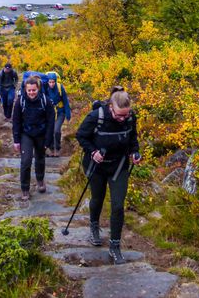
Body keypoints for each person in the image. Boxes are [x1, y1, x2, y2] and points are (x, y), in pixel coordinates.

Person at [75, 86, 141, 265]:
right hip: (96, 165)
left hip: (118, 166)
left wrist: (135, 152)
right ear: (111, 107)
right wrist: (92, 151)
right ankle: (94, 226)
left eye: (125, 115)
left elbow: (132, 137)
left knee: (118, 206)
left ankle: (115, 246)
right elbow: (81, 136)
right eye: (119, 115)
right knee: (98, 197)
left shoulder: (130, 118)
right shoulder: (97, 116)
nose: (122, 119)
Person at [12, 75, 55, 201]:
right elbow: (16, 121)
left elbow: (51, 121)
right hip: (26, 134)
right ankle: (25, 189)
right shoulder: (20, 102)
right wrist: (16, 140)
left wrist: (48, 140)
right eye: (29, 90)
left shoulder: (45, 101)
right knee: (26, 161)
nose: (31, 93)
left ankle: (40, 181)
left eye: (34, 90)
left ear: (38, 89)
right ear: (25, 89)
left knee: (40, 158)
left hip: (41, 134)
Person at [45, 71, 70, 156]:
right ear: (47, 82)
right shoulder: (45, 88)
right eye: (50, 82)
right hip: (49, 113)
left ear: (55, 81)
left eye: (53, 82)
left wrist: (68, 114)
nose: (51, 84)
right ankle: (52, 149)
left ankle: (58, 148)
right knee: (50, 130)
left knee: (56, 130)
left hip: (60, 112)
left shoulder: (60, 87)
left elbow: (65, 101)